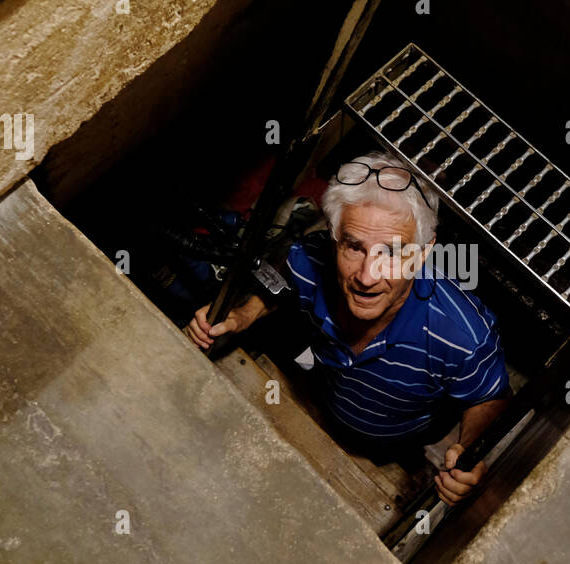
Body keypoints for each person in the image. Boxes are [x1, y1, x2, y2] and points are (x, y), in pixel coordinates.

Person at [184, 150, 510, 505]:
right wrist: (242, 315)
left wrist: (468, 453)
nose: (367, 277)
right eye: (354, 247)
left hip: (398, 434)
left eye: (392, 252)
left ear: (423, 251)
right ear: (334, 235)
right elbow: (285, 277)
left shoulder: (463, 335)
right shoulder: (312, 259)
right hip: (325, 395)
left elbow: (489, 395)